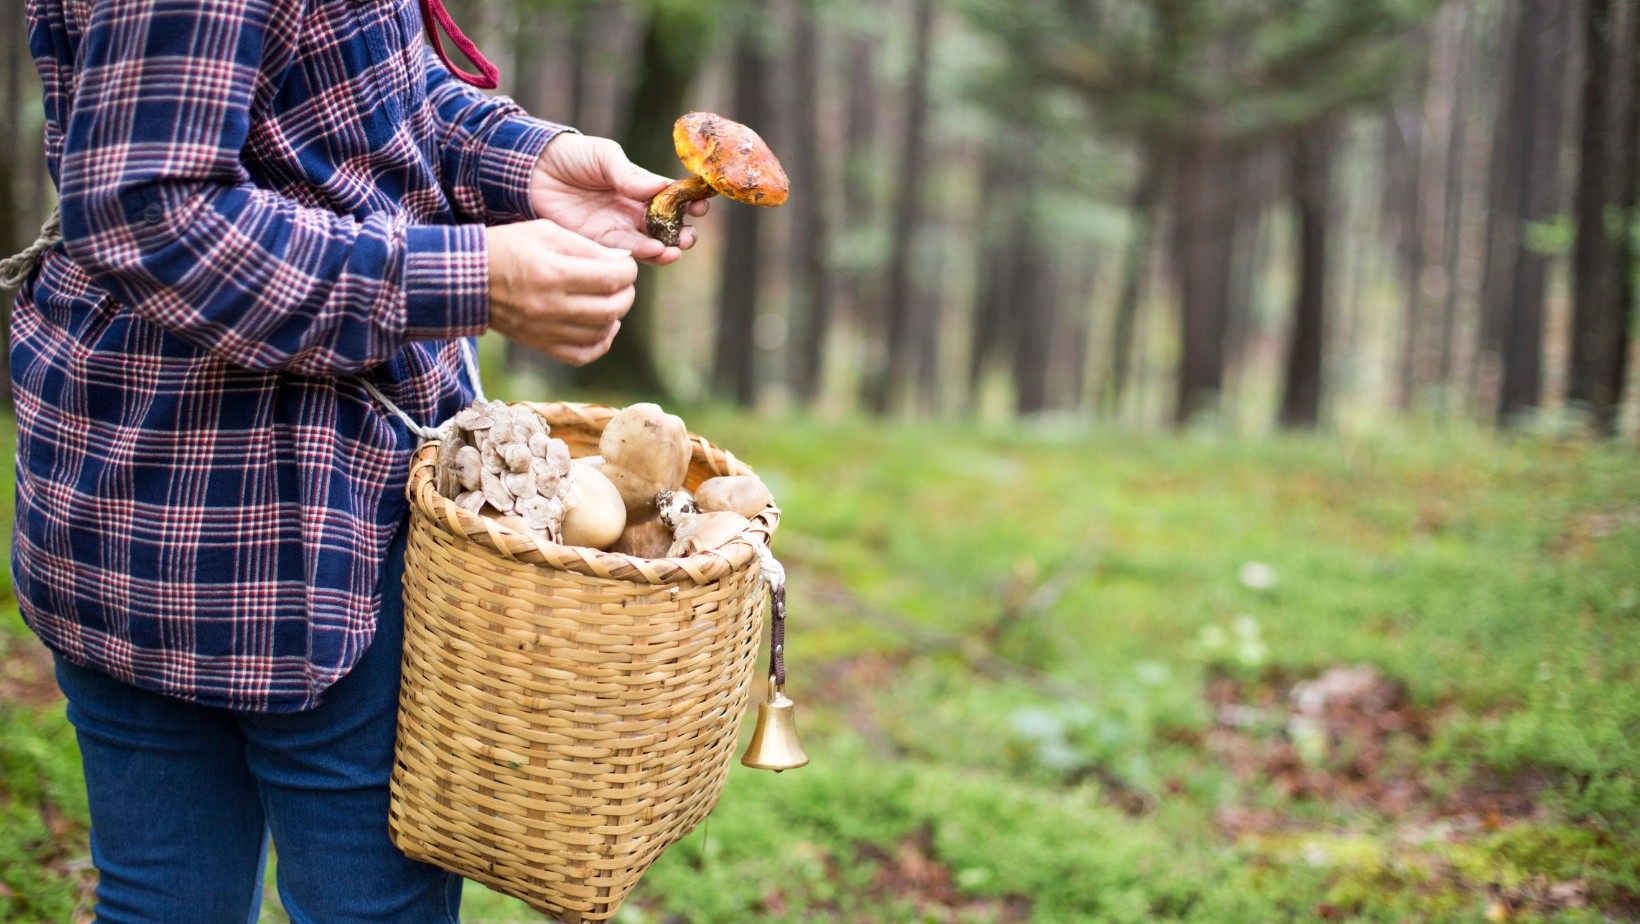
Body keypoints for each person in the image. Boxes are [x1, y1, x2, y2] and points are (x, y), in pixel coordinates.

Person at [8, 0, 705, 920]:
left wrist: (528, 163)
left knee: (162, 894)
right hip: (304, 521)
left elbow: (349, 94)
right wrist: (469, 277)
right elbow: (151, 211)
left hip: (127, 488)